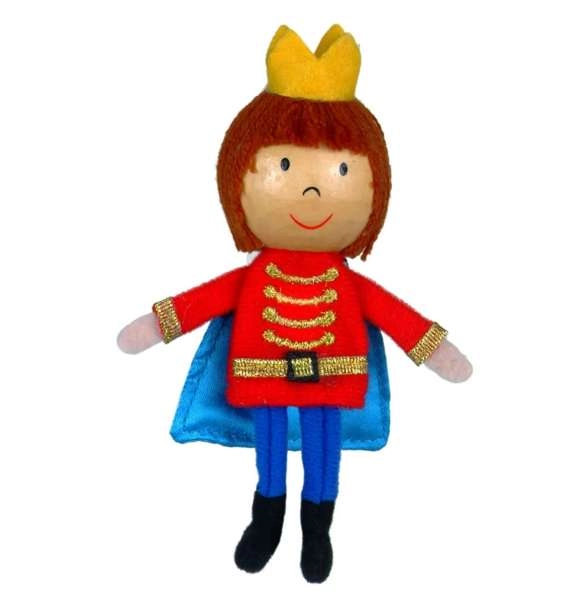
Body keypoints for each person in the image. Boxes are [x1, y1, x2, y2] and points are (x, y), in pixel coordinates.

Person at [117, 24, 472, 583]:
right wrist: (158, 324)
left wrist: (434, 348)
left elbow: (394, 315)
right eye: (283, 167)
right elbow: (202, 301)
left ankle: (318, 526)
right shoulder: (253, 277)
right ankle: (267, 516)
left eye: (341, 171)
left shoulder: (347, 282)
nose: (311, 191)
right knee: (271, 444)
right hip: (265, 372)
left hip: (330, 372)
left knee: (324, 445)